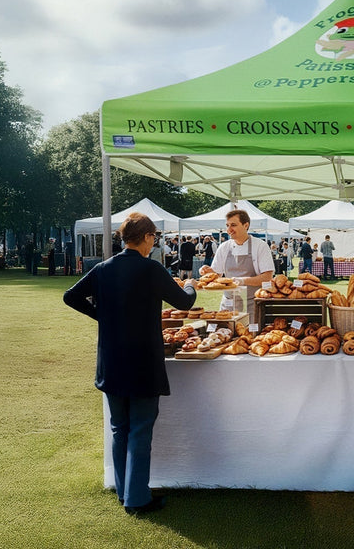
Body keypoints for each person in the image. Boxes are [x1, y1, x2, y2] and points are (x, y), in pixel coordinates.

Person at [63, 212, 197, 515]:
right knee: (139, 430)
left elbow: (71, 296)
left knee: (119, 428)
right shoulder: (151, 269)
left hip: (111, 360)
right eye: (154, 238)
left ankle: (125, 491)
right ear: (148, 237)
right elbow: (184, 302)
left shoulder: (103, 268)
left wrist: (103, 316)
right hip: (142, 361)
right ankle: (137, 499)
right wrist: (190, 284)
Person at [201, 209, 274, 318]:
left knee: (251, 334)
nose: (229, 229)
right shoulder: (224, 247)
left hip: (253, 303)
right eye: (227, 225)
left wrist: (242, 281)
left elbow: (267, 277)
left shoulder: (260, 246)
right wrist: (207, 271)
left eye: (233, 225)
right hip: (229, 303)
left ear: (246, 225)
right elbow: (216, 274)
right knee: (226, 333)